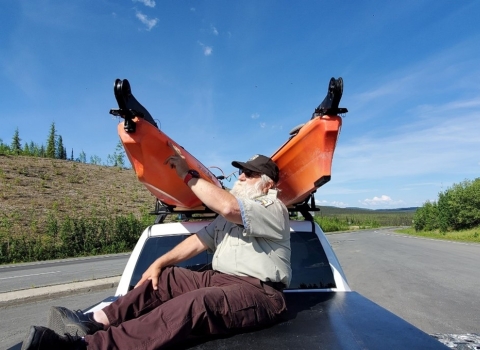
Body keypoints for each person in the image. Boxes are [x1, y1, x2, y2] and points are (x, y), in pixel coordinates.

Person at [21, 146, 292, 350]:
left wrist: (187, 175)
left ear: (267, 183)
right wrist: (159, 263)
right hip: (224, 280)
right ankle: (94, 321)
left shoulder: (273, 209)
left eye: (250, 173)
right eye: (242, 171)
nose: (241, 176)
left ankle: (84, 346)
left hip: (260, 292)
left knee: (196, 304)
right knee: (166, 277)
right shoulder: (228, 219)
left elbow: (228, 205)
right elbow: (198, 240)